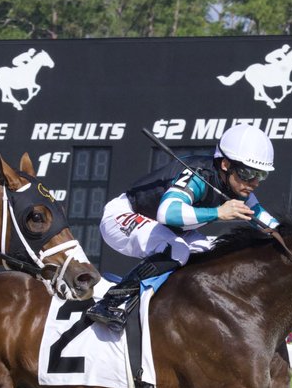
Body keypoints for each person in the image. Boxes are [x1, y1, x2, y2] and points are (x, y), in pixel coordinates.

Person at [86, 123, 281, 332]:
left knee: (217, 253)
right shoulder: (198, 175)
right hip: (124, 216)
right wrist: (218, 213)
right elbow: (167, 213)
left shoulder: (238, 187)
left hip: (166, 229)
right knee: (177, 249)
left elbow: (268, 224)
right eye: (247, 173)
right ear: (225, 164)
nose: (253, 182)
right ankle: (110, 302)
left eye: (260, 175)